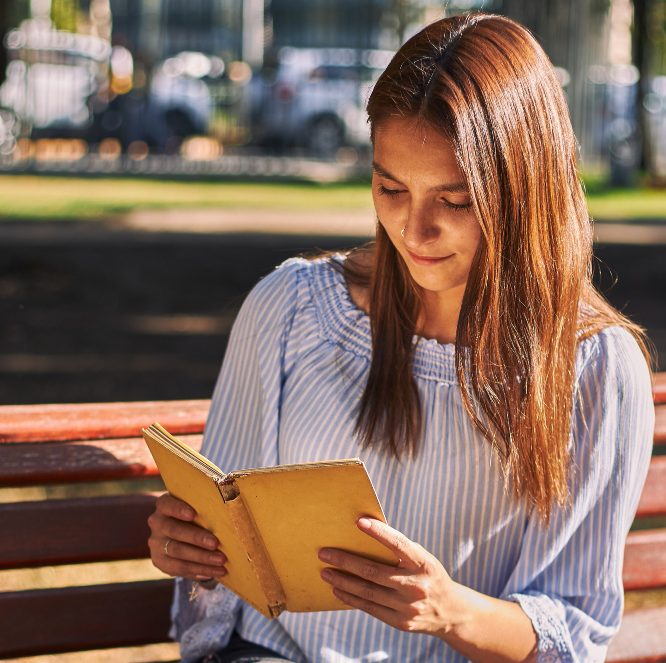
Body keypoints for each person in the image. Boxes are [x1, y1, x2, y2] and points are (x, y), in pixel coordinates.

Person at [147, 13, 655, 663]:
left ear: (525, 192)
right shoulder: (290, 308)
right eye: (390, 187)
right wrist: (191, 551)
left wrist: (450, 610)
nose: (415, 230)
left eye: (457, 200)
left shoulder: (592, 367)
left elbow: (573, 631)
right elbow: (222, 568)